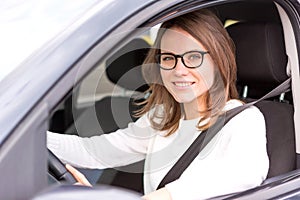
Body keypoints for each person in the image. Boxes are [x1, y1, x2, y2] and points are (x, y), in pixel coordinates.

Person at [47, 9, 269, 200]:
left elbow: (216, 182)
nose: (179, 70)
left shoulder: (244, 121)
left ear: (218, 60)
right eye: (168, 58)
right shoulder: (163, 117)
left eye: (193, 57)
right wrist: (32, 140)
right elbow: (94, 151)